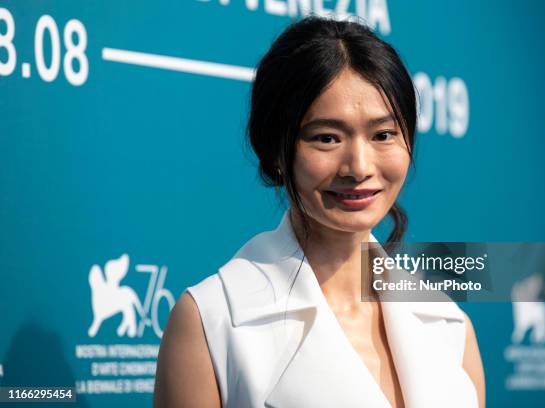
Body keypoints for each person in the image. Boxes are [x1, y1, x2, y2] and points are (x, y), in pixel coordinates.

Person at [154, 16, 485, 408]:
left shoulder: (449, 325)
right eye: (327, 138)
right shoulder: (211, 321)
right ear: (276, 152)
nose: (359, 167)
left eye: (383, 135)